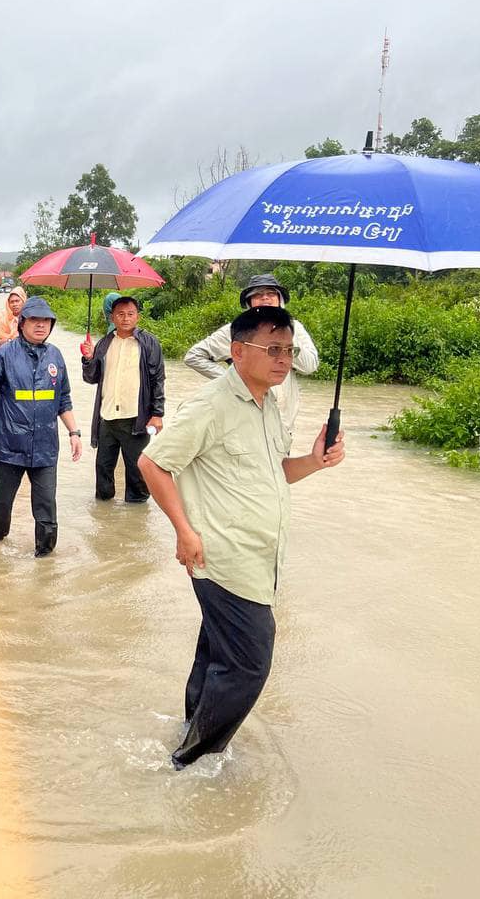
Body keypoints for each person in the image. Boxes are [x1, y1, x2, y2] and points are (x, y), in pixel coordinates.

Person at [138, 305, 345, 769]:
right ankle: (193, 761)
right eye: (273, 349)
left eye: (289, 350)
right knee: (250, 662)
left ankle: (191, 728)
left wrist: (314, 460)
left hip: (258, 557)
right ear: (236, 351)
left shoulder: (268, 404)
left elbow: (275, 473)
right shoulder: (210, 406)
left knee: (216, 651)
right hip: (222, 556)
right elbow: (153, 463)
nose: (284, 359)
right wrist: (184, 531)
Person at [0, 296, 82, 557]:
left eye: (46, 321)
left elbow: (62, 399)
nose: (41, 325)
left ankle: (45, 564)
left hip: (45, 448)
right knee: (2, 504)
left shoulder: (55, 356)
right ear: (22, 323)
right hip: (9, 447)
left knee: (46, 507)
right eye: (34, 320)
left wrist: (74, 432)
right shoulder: (3, 355)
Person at [184, 274, 319, 435]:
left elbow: (310, 366)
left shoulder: (295, 328)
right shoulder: (236, 330)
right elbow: (194, 356)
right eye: (258, 295)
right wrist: (232, 379)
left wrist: (285, 335)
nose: (265, 298)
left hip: (283, 426)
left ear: (280, 300)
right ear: (249, 303)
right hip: (244, 425)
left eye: (271, 293)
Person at [80, 295, 165, 503]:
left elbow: (158, 380)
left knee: (137, 475)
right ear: (112, 317)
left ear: (138, 316)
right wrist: (88, 359)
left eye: (130, 314)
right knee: (103, 471)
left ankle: (136, 519)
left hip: (136, 418)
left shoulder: (148, 343)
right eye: (120, 314)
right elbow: (91, 378)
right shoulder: (104, 343)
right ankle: (104, 516)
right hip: (107, 417)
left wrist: (157, 414)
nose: (125, 318)